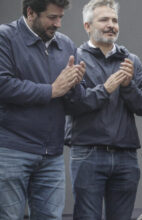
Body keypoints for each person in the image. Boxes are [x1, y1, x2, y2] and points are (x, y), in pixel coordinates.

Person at [64, 0, 142, 219]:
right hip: (87, 153)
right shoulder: (75, 58)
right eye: (104, 20)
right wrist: (106, 89)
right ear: (87, 26)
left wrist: (127, 86)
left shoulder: (130, 60)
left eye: (114, 20)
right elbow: (72, 104)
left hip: (126, 156)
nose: (111, 24)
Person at [0, 0, 85, 219]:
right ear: (30, 13)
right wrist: (51, 90)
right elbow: (4, 85)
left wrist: (75, 87)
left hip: (52, 155)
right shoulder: (5, 37)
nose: (57, 23)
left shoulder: (66, 45)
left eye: (60, 18)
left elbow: (72, 102)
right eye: (51, 17)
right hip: (11, 150)